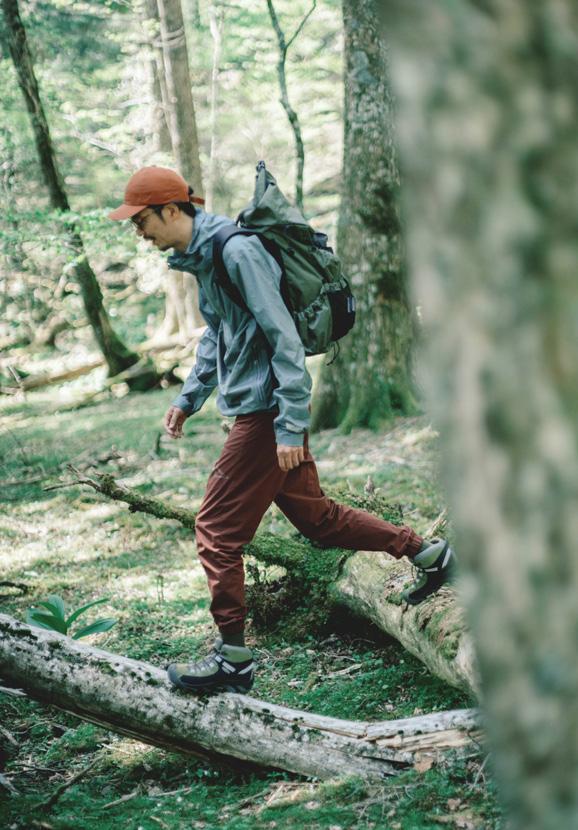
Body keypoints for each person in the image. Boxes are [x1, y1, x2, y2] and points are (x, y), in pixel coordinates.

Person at [108, 166, 455, 695]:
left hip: (267, 414)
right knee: (320, 520)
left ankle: (233, 659)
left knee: (216, 533)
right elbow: (218, 333)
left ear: (172, 210)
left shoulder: (237, 252)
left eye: (141, 220)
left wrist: (290, 425)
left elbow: (285, 339)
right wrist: (188, 398)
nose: (139, 232)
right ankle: (429, 554)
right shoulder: (208, 256)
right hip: (261, 410)